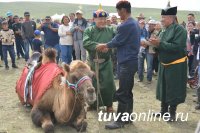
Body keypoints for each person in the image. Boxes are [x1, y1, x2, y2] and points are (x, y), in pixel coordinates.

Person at [96, 0, 140, 129]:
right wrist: (109, 46)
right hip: (131, 61)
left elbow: (118, 40)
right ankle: (128, 116)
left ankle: (120, 120)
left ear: (123, 10)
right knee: (127, 90)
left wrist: (104, 45)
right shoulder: (134, 23)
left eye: (118, 11)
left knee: (122, 92)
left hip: (126, 61)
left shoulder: (126, 25)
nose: (118, 14)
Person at [149, 4, 187, 122]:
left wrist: (159, 44)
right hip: (164, 65)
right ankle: (163, 111)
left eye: (163, 17)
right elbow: (159, 45)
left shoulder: (180, 30)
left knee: (173, 89)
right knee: (163, 88)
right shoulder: (163, 30)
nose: (161, 20)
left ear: (171, 17)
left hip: (176, 66)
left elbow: (177, 47)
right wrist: (152, 44)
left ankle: (172, 113)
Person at [83, 4, 116, 113]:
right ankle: (92, 104)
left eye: (104, 19)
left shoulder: (111, 30)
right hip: (92, 63)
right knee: (91, 84)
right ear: (94, 19)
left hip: (106, 62)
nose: (102, 21)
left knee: (108, 84)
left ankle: (109, 105)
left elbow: (117, 41)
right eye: (99, 19)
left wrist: (108, 46)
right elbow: (86, 42)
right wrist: (99, 46)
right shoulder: (89, 30)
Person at [138, 19, 157, 84]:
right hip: (141, 49)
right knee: (140, 65)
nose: (149, 26)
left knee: (149, 66)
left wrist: (145, 42)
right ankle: (140, 78)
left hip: (150, 51)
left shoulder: (156, 33)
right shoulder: (145, 30)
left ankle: (149, 79)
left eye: (151, 25)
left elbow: (153, 43)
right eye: (149, 24)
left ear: (154, 25)